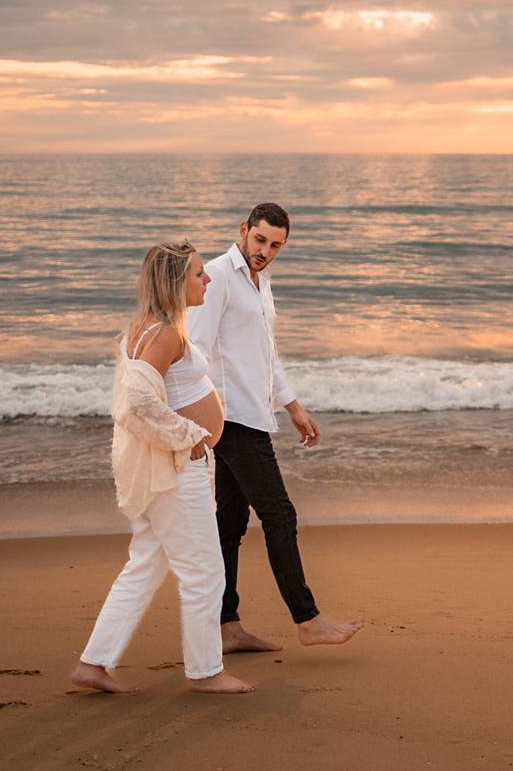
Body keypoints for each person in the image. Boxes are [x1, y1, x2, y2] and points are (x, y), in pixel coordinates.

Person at [71, 240, 255, 695]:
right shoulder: (165, 335)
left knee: (145, 566)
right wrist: (189, 436)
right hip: (174, 471)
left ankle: (93, 664)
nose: (207, 278)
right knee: (205, 573)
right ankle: (206, 673)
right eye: (197, 273)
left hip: (162, 471)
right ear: (175, 281)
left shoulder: (149, 327)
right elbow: (133, 405)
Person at [190, 202, 362, 652]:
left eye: (276, 245)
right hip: (231, 419)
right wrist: (201, 420)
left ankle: (226, 627)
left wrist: (293, 406)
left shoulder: (261, 283)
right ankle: (306, 619)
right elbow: (196, 351)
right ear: (243, 230)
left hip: (252, 413)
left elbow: (266, 354)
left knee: (229, 522)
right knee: (280, 514)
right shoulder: (217, 276)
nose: (265, 251)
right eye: (261, 239)